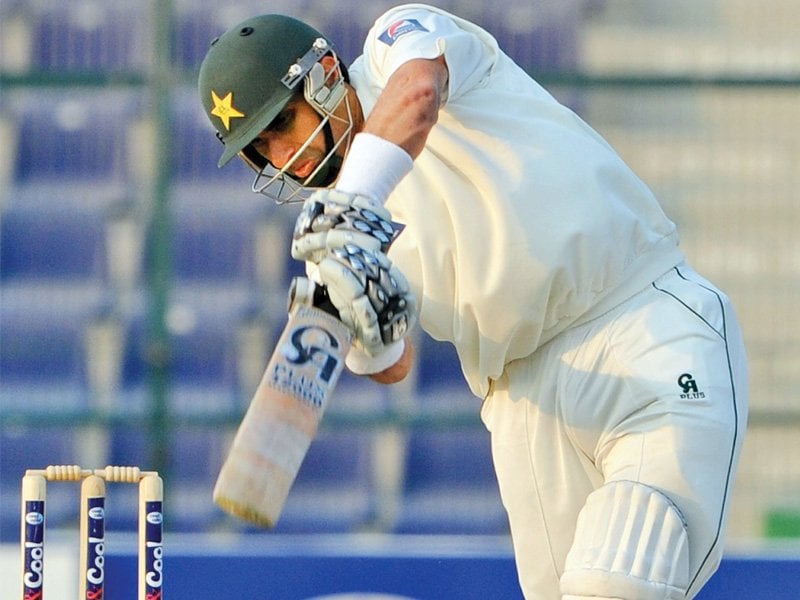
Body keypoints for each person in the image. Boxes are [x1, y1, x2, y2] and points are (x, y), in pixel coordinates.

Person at [197, 5, 749, 599]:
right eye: (260, 148)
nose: (283, 156)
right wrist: (378, 336)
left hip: (638, 325)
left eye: (282, 122)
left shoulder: (393, 47)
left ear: (325, 73)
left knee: (621, 580)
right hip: (520, 402)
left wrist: (353, 209)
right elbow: (395, 365)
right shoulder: (329, 245)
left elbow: (419, 93)